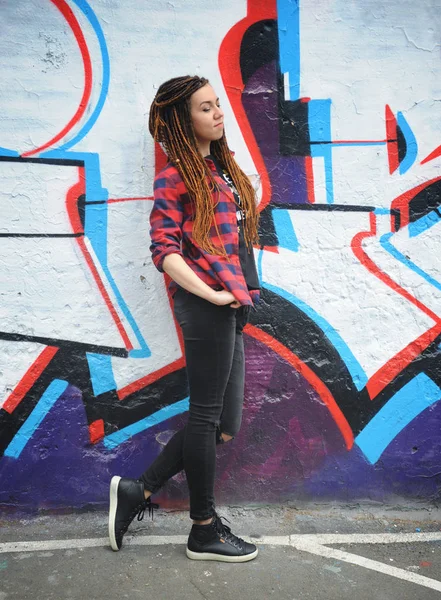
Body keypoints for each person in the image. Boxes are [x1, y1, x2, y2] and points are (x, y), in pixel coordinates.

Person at [108, 75, 260, 562]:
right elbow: (165, 251)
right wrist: (212, 295)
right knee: (206, 416)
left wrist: (235, 295)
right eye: (205, 108)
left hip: (233, 303)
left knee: (223, 422)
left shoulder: (223, 168)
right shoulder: (175, 176)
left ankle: (140, 489)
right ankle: (203, 528)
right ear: (181, 120)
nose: (218, 114)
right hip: (207, 306)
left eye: (218, 106)